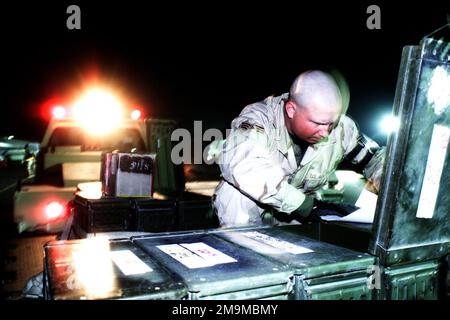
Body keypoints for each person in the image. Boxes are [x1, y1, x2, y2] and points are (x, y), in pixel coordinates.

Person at [209, 70, 385, 227]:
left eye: (332, 123)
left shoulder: (342, 128)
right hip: (258, 213)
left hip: (298, 216)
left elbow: (376, 159)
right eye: (318, 123)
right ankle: (242, 252)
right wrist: (302, 204)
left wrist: (392, 184)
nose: (325, 132)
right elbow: (245, 167)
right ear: (291, 110)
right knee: (234, 193)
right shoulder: (258, 119)